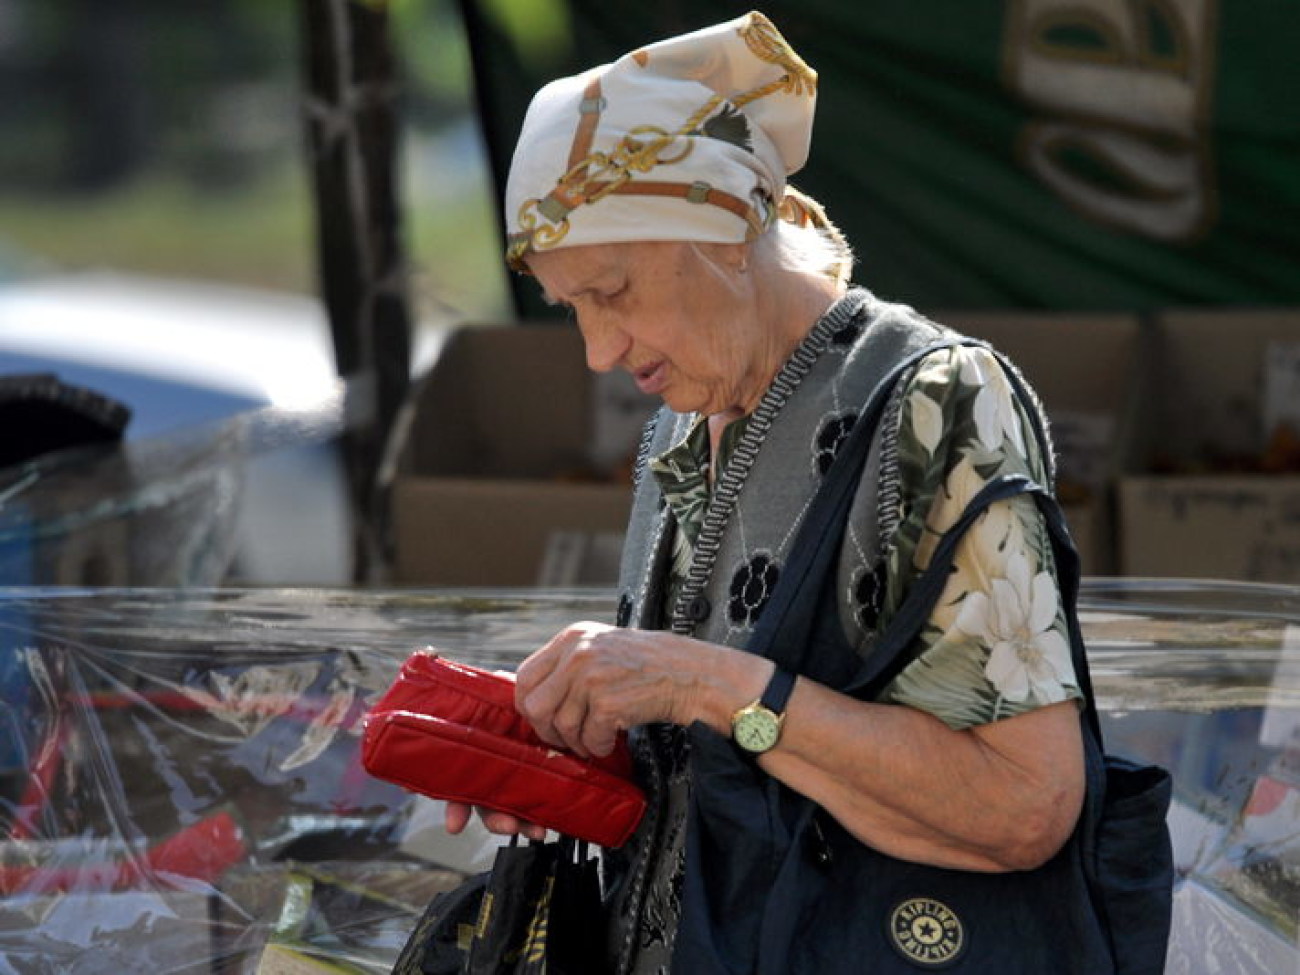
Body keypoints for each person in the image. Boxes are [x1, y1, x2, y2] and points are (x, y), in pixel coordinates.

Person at [445, 11, 1085, 973]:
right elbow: (733, 759)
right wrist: (574, 754)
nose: (598, 351)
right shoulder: (681, 414)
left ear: (728, 234)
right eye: (569, 306)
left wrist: (705, 682)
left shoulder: (937, 402)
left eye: (612, 291)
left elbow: (1024, 804)